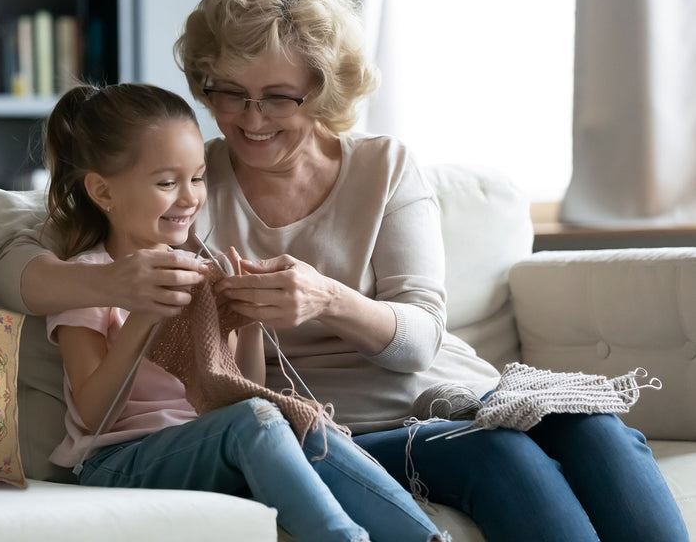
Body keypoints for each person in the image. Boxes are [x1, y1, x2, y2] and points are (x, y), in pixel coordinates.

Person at [0, 0, 688, 542]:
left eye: (278, 97)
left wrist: (328, 298)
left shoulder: (383, 168)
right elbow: (18, 261)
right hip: (354, 426)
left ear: (326, 89)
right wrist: (121, 281)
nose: (250, 120)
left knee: (595, 431)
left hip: (458, 390)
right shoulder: (184, 186)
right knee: (505, 459)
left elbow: (420, 337)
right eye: (228, 93)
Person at [37, 81, 448, 542]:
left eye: (196, 178)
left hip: (213, 445)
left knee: (297, 418)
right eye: (166, 183)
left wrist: (249, 321)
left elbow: (240, 391)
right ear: (103, 193)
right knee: (258, 420)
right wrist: (144, 316)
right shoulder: (90, 278)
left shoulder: (201, 271)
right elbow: (93, 416)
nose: (190, 198)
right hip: (118, 461)